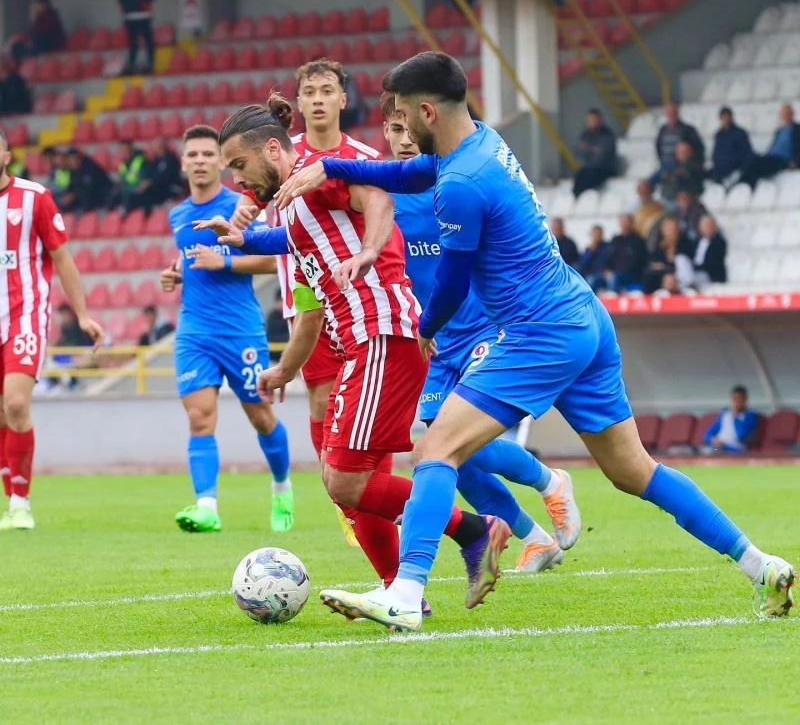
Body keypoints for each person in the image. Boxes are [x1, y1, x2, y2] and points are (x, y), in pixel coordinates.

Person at [279, 52, 794, 631]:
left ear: (425, 111)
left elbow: (448, 285)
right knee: (633, 471)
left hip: (539, 331)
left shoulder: (463, 188)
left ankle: (405, 592)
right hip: (583, 315)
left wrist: (424, 333)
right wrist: (339, 170)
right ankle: (761, 564)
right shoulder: (480, 144)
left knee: (436, 451)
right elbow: (412, 175)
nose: (398, 129)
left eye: (402, 116)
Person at [201, 95, 502, 608]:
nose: (236, 181)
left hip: (380, 331)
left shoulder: (318, 172)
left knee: (345, 479)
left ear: (273, 149)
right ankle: (400, 593)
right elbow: (296, 254)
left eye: (239, 165)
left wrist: (368, 250)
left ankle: (475, 530)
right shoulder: (295, 201)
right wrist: (243, 240)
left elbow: (378, 200)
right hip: (364, 341)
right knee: (355, 483)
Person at [380, 91, 580, 572]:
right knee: (450, 456)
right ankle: (535, 538)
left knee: (450, 442)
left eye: (408, 128)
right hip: (437, 342)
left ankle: (547, 480)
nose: (403, 139)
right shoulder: (384, 201)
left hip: (483, 329)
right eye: (393, 129)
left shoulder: (454, 179)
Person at [232, 58, 384, 546]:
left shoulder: (361, 159)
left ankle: (375, 501)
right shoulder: (277, 167)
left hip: (366, 306)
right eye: (309, 92)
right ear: (298, 103)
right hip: (310, 300)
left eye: (327, 90)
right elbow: (267, 226)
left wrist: (369, 254)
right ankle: (353, 505)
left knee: (374, 417)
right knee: (324, 402)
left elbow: (385, 212)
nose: (317, 99)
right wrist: (241, 234)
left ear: (343, 99)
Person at [160, 125, 293, 534]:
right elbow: (193, 257)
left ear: (221, 161)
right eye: (192, 155)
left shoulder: (241, 205)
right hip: (194, 330)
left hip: (240, 329)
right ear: (183, 163)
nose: (199, 161)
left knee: (262, 417)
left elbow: (276, 259)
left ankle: (282, 488)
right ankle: (207, 507)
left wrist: (227, 263)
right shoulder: (178, 215)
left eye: (207, 154)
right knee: (200, 418)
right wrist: (177, 273)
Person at [0, 131, 104, 530]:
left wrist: (81, 315)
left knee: (15, 404)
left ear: (7, 155)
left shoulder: (34, 197)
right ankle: (11, 496)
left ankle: (21, 503)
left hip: (23, 315)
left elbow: (62, 257)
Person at [740, 104, 800, 189]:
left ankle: (744, 184)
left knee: (755, 164)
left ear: (792, 114)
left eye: (787, 113)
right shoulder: (779, 131)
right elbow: (773, 147)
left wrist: (796, 162)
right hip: (771, 157)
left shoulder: (797, 129)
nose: (785, 116)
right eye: (783, 114)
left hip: (783, 160)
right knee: (751, 159)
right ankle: (745, 185)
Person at [651, 102, 705, 186]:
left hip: (681, 167)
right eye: (669, 113)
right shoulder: (663, 130)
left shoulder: (687, 130)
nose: (671, 116)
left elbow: (698, 148)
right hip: (664, 165)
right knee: (646, 185)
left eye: (674, 113)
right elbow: (658, 147)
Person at [573, 109, 617, 196]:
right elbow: (579, 151)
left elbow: (603, 155)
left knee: (587, 181)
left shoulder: (607, 135)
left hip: (603, 169)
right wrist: (593, 150)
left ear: (600, 120)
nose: (592, 122)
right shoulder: (585, 134)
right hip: (588, 168)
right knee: (578, 177)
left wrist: (588, 149)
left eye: (594, 120)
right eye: (590, 120)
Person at [643, 216, 691, 294]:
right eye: (668, 227)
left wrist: (672, 256)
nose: (671, 230)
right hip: (661, 275)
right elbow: (654, 260)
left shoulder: (684, 242)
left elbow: (685, 262)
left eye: (673, 227)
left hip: (678, 275)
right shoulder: (659, 245)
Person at [704, 386, 759, 454]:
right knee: (692, 450)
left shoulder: (750, 416)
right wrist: (713, 439)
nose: (736, 402)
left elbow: (741, 436)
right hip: (717, 446)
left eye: (739, 399)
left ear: (745, 400)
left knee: (711, 451)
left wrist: (735, 417)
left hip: (735, 448)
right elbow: (708, 434)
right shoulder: (725, 413)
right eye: (734, 399)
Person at [678, 215, 727, 290]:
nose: (707, 228)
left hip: (708, 274)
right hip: (693, 272)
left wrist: (696, 267)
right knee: (680, 259)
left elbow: (713, 263)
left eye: (709, 226)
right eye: (705, 226)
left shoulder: (719, 243)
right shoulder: (696, 242)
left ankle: (690, 284)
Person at [710, 107, 753, 188]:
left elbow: (747, 155)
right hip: (720, 171)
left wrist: (739, 172)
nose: (726, 119)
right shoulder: (719, 135)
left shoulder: (740, 133)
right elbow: (716, 153)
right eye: (724, 117)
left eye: (728, 116)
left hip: (735, 170)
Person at [604, 213, 647, 293]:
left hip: (632, 275)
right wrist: (606, 269)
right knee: (593, 280)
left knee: (616, 278)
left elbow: (639, 261)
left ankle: (614, 300)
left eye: (626, 222)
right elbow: (607, 258)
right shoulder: (615, 240)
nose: (624, 224)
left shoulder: (638, 241)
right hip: (613, 274)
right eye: (622, 222)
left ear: (632, 223)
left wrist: (618, 272)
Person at [64, 147, 112, 212]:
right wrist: (68, 195)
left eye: (73, 159)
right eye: (69, 160)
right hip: (85, 199)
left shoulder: (89, 166)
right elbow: (71, 186)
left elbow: (90, 189)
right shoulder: (73, 171)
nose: (71, 162)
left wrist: (75, 195)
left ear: (78, 158)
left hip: (101, 197)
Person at [114, 140, 151, 214]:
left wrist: (138, 189)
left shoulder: (140, 160)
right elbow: (122, 179)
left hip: (138, 191)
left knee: (128, 197)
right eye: (122, 150)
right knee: (113, 194)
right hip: (127, 189)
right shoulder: (123, 163)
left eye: (125, 149)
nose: (123, 151)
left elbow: (146, 180)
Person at [632, 180, 665, 251]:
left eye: (646, 190)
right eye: (641, 191)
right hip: (635, 241)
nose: (644, 193)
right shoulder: (632, 207)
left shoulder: (659, 207)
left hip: (653, 242)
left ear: (651, 191)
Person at [577, 224, 609, 292]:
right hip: (591, 274)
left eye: (598, 234)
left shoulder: (607, 247)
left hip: (603, 274)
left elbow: (610, 261)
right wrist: (591, 252)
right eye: (595, 234)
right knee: (589, 280)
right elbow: (582, 264)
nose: (597, 236)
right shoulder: (589, 249)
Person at [266, 289, 290, 363]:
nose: (281, 303)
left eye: (282, 300)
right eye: (279, 300)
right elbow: (272, 338)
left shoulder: (292, 316)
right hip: (275, 357)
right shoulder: (272, 316)